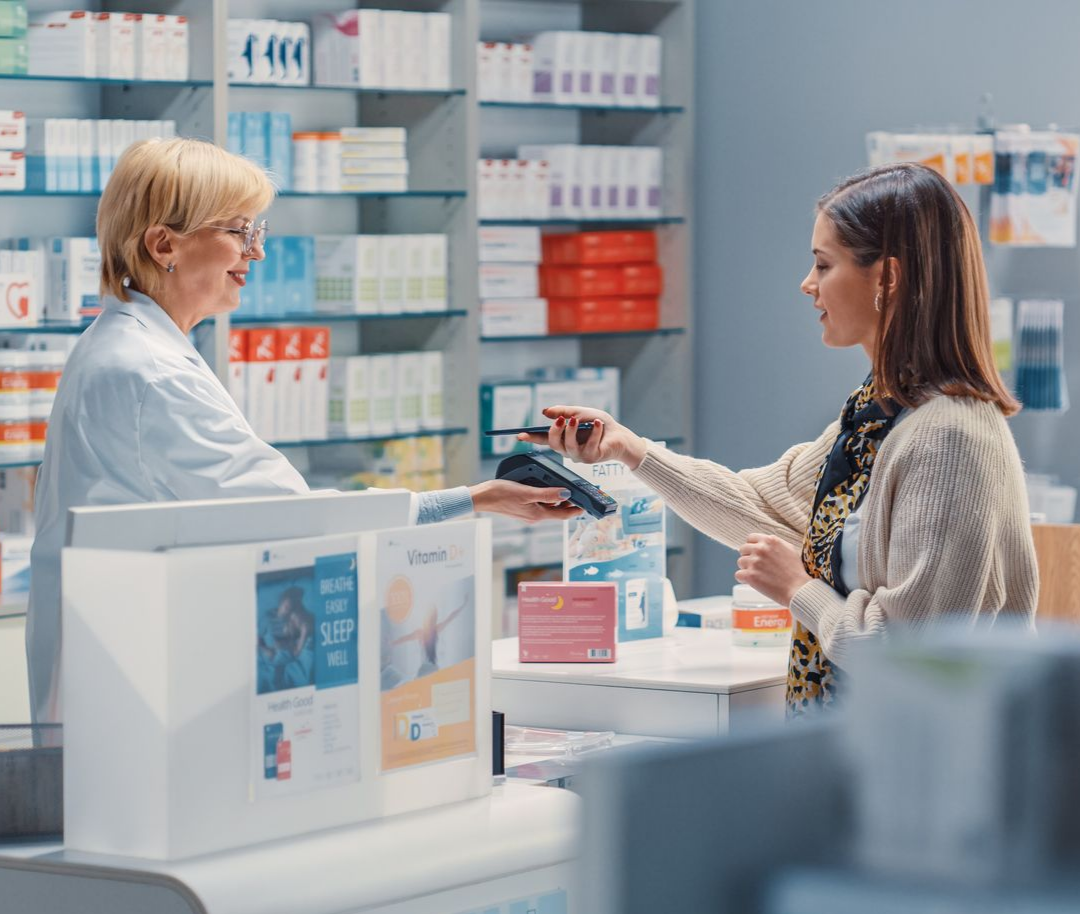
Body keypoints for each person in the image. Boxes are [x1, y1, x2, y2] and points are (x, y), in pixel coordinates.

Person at [27, 137, 579, 725]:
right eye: (239, 231)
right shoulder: (150, 370)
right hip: (134, 681)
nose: (255, 253)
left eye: (256, 232)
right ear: (164, 244)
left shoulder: (132, 346)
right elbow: (292, 519)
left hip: (128, 662)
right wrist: (471, 500)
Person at [521, 162, 1039, 713]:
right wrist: (627, 448)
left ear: (888, 278)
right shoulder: (875, 414)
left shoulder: (948, 440)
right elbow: (755, 503)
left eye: (823, 264)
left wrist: (799, 589)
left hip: (933, 770)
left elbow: (913, 654)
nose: (807, 284)